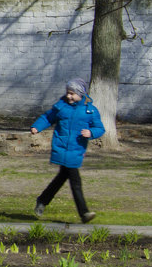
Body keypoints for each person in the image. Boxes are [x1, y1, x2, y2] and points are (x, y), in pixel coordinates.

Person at [30, 77, 105, 223]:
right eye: (68, 92)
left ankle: (42, 201)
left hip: (76, 149)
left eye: (72, 93)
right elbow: (48, 118)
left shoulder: (90, 111)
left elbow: (99, 128)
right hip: (61, 147)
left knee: (62, 177)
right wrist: (36, 127)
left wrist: (91, 133)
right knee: (75, 181)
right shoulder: (61, 107)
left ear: (81, 94)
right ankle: (84, 213)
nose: (69, 96)